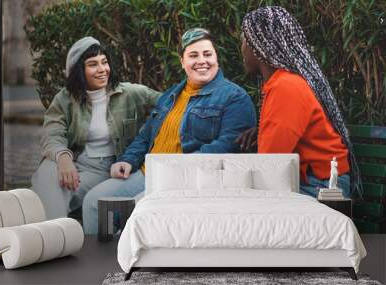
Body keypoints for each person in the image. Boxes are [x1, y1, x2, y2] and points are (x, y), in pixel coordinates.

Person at [82, 28, 257, 234]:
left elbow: (226, 146)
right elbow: (146, 135)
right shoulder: (171, 95)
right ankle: (100, 263)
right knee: (93, 202)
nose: (202, 61)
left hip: (184, 179)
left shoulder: (234, 97)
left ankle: (126, 264)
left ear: (216, 58)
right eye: (193, 55)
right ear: (183, 62)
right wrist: (128, 159)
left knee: (139, 211)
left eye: (207, 54)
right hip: (149, 173)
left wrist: (175, 168)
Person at [237, 6, 362, 198]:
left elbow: (270, 165)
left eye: (243, 40)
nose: (242, 48)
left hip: (321, 187)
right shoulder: (284, 82)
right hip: (316, 180)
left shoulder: (285, 87)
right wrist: (262, 131)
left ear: (258, 45)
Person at [32, 36, 161, 220]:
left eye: (104, 62)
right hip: (75, 162)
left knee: (53, 191)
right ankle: (57, 234)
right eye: (93, 64)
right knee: (46, 173)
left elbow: (168, 103)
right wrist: (63, 157)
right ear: (79, 70)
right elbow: (52, 133)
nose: (102, 70)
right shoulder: (65, 99)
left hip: (104, 169)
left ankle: (55, 234)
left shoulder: (130, 94)